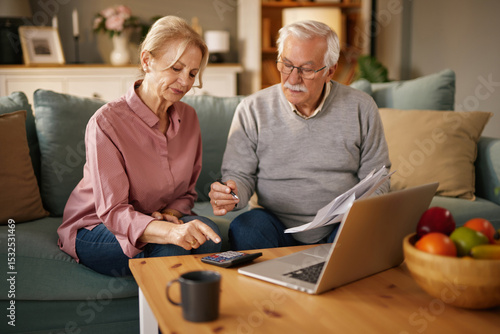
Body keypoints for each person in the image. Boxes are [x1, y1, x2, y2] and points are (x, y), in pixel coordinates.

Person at [58, 16, 221, 277]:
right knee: (171, 249)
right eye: (175, 68)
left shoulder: (188, 117)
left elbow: (186, 193)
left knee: (211, 236)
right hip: (97, 227)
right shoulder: (106, 122)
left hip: (154, 220)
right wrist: (169, 232)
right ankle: (165, 318)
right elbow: (113, 212)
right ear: (147, 61)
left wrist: (169, 215)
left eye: (192, 73)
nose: (186, 82)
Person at [209, 20, 391, 250]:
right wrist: (231, 194)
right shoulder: (252, 109)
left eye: (306, 69)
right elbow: (239, 176)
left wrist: (358, 214)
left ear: (330, 70)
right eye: (286, 65)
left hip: (338, 225)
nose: (293, 79)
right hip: (274, 224)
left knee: (365, 228)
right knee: (246, 227)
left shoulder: (361, 107)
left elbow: (378, 179)